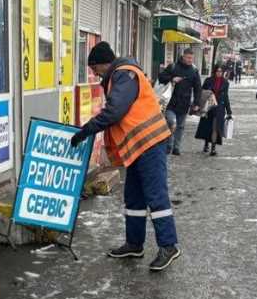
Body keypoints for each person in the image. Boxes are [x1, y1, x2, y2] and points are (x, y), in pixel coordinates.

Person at [70, 42, 181, 271]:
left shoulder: (124, 75)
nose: (94, 73)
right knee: (134, 198)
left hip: (150, 143)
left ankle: (169, 246)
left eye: (94, 68)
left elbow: (114, 112)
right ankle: (134, 243)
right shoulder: (121, 76)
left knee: (156, 196)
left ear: (102, 63)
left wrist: (85, 131)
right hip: (139, 147)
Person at [157, 48, 201, 156]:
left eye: (192, 58)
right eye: (188, 58)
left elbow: (197, 88)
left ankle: (176, 147)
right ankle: (169, 145)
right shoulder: (173, 66)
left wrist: (196, 103)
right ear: (183, 56)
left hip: (184, 103)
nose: (190, 60)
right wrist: (172, 79)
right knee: (172, 122)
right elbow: (161, 77)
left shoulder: (194, 71)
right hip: (170, 102)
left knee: (180, 126)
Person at [194, 64, 233, 156]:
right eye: (217, 71)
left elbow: (226, 97)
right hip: (208, 107)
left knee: (215, 128)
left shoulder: (225, 83)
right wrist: (199, 104)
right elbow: (201, 92)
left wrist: (229, 111)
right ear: (214, 71)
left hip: (219, 108)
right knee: (208, 126)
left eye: (221, 71)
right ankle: (206, 143)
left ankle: (213, 148)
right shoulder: (208, 81)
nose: (219, 73)